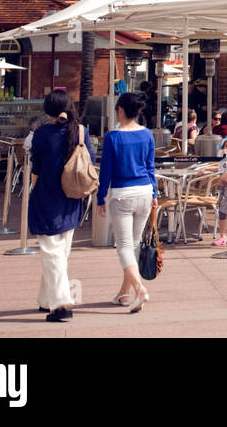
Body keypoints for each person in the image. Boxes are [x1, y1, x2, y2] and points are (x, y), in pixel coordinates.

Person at [29, 90, 95, 323]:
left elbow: (36, 166)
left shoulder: (42, 134)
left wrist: (32, 190)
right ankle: (46, 298)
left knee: (51, 251)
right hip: (72, 196)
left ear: (48, 110)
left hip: (47, 196)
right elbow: (90, 160)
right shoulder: (80, 131)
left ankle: (60, 303)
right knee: (60, 251)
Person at [96, 93, 157, 314]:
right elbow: (151, 167)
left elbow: (106, 171)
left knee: (123, 246)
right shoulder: (147, 134)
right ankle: (124, 293)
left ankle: (139, 288)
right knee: (132, 244)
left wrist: (100, 197)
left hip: (122, 193)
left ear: (120, 110)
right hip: (145, 192)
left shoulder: (113, 137)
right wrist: (155, 193)